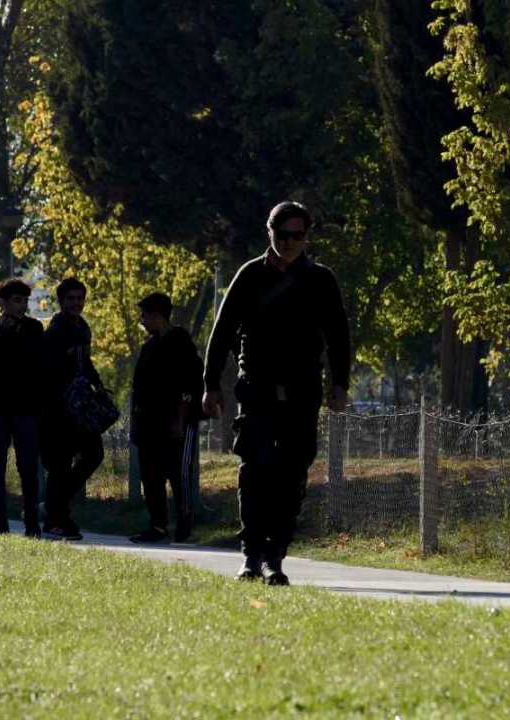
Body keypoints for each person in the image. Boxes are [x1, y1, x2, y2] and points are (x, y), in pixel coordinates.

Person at [202, 201, 350, 585]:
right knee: (255, 471)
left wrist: (340, 384)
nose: (288, 242)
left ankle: (275, 557)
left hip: (302, 392)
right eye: (282, 235)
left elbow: (338, 336)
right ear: (270, 232)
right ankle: (251, 554)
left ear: (306, 237)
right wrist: (211, 385)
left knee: (291, 476)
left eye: (296, 236)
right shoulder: (250, 275)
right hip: (257, 389)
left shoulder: (321, 280)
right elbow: (222, 331)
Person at [0, 279, 45, 537]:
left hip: (26, 408)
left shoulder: (34, 329)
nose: (22, 306)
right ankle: (0, 522)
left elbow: (36, 360)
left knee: (28, 467)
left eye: (24, 301)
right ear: (2, 302)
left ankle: (32, 524)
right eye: (16, 300)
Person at [128, 292, 204, 544]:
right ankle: (158, 526)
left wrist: (180, 418)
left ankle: (184, 527)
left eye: (144, 315)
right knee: (151, 477)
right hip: (150, 425)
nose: (142, 320)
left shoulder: (180, 343)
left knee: (179, 475)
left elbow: (190, 384)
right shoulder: (149, 347)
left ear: (158, 316)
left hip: (177, 423)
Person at [40, 277, 106, 541]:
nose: (76, 303)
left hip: (81, 406)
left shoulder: (83, 328)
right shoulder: (54, 333)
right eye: (70, 299)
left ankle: (54, 508)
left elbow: (85, 362)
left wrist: (97, 384)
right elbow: (47, 371)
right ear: (61, 301)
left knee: (94, 454)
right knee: (60, 464)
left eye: (80, 298)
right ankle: (57, 520)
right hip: (58, 407)